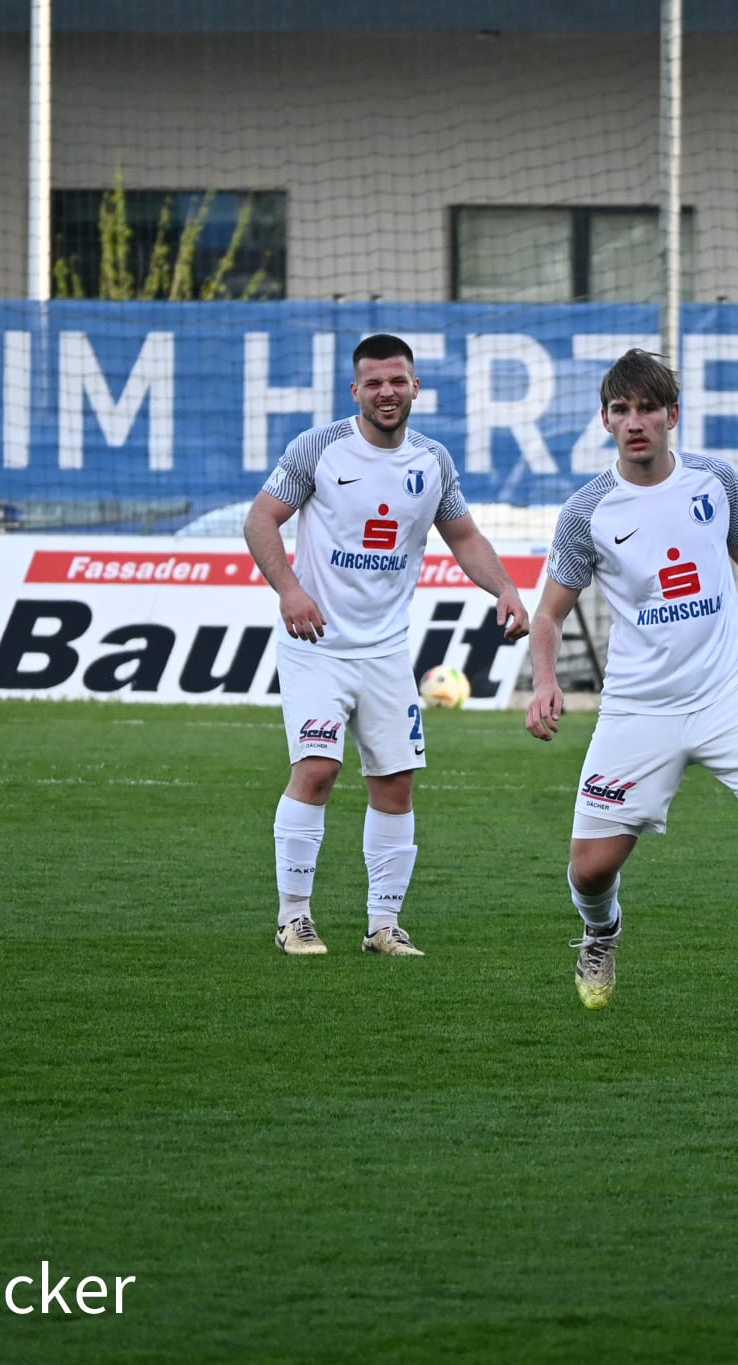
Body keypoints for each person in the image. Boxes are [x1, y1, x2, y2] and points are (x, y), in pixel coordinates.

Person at [524, 349, 738, 1035]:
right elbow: (549, 614)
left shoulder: (714, 479)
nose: (635, 422)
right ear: (605, 421)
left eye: (648, 408)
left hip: (729, 690)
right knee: (590, 871)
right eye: (621, 410)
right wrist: (546, 681)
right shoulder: (587, 511)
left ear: (672, 415)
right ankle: (601, 932)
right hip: (638, 706)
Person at [244, 333, 528, 957]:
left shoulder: (433, 461)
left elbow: (464, 536)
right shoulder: (318, 447)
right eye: (373, 383)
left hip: (387, 653)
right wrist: (290, 591)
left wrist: (504, 588)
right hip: (317, 646)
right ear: (356, 391)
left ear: (415, 386)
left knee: (395, 783)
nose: (386, 392)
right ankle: (294, 918)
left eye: (397, 380)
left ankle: (383, 926)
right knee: (317, 769)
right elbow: (260, 518)